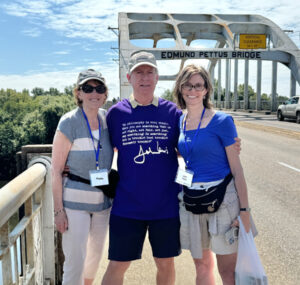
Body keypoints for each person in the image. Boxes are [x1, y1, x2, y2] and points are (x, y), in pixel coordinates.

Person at [101, 51, 182, 285]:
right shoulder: (115, 114)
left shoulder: (173, 113)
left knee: (165, 263)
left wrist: (226, 145)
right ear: (129, 77)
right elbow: (101, 148)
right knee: (117, 264)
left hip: (165, 205)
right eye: (139, 72)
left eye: (149, 72)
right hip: (127, 206)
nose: (144, 77)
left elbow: (190, 146)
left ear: (157, 78)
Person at [173, 64, 251, 285]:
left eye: (198, 85)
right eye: (187, 84)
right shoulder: (180, 120)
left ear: (206, 89)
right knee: (202, 265)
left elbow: (237, 169)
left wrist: (245, 211)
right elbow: (186, 153)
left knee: (227, 271)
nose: (192, 90)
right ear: (180, 87)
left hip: (223, 200)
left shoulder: (222, 121)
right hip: (192, 200)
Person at [51, 69, 113, 285]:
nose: (94, 93)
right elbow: (56, 170)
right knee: (75, 263)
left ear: (105, 94)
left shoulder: (108, 120)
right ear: (78, 93)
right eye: (88, 88)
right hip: (74, 205)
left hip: (102, 205)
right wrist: (58, 211)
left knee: (94, 261)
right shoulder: (69, 122)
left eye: (99, 88)